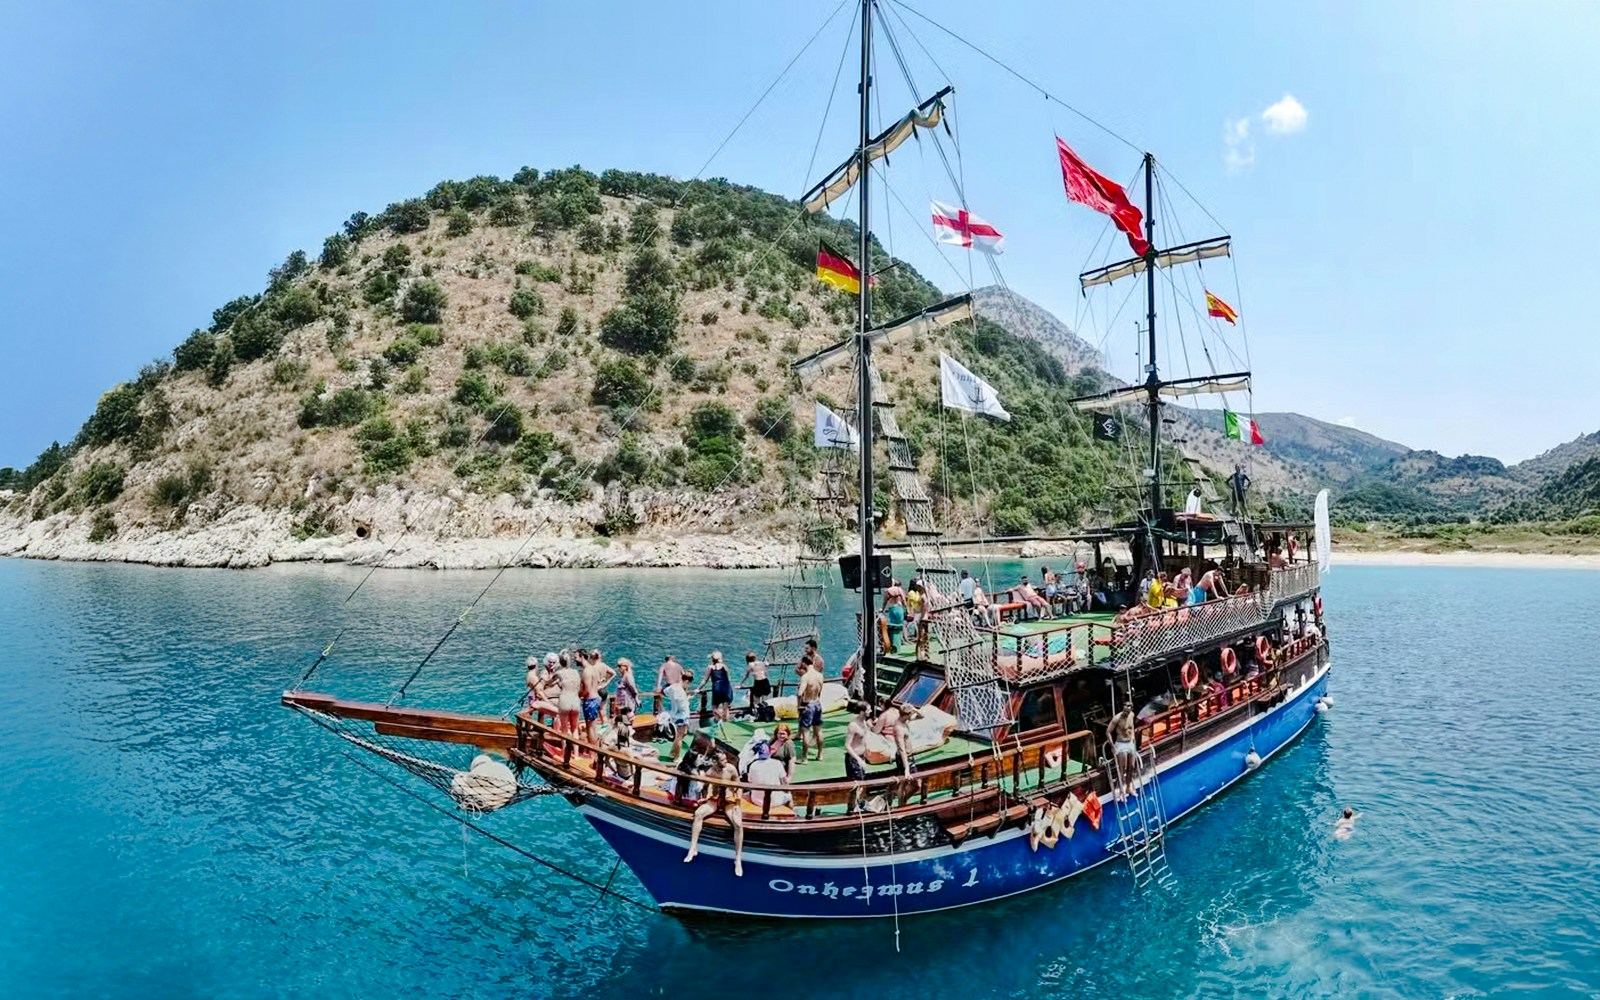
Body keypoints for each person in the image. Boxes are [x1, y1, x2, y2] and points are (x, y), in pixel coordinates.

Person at [684, 748, 745, 876]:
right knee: (698, 814)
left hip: (729, 800)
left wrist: (738, 804)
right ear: (716, 761)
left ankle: (738, 858)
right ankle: (693, 848)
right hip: (715, 800)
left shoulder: (731, 769)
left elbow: (739, 787)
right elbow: (705, 785)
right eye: (722, 760)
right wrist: (704, 797)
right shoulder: (711, 770)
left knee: (738, 824)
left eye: (725, 759)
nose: (725, 761)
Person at [580, 649, 616, 744]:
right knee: (603, 714)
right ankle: (604, 734)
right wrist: (606, 682)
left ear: (591, 658)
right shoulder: (603, 665)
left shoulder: (592, 667)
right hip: (603, 690)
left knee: (593, 720)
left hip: (595, 692)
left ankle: (594, 738)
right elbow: (613, 673)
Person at [1107, 698, 1139, 801]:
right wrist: (1112, 746)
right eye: (1124, 710)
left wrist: (1133, 737)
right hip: (1120, 745)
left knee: (1132, 766)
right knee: (1122, 769)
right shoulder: (1117, 718)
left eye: (1127, 711)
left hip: (1130, 743)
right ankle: (1121, 792)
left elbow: (1132, 727)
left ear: (1131, 710)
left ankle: (1128, 788)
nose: (1125, 713)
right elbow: (1108, 732)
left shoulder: (1132, 715)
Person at [745, 742, 791, 811]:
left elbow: (750, 781)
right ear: (769, 751)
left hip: (757, 800)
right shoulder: (777, 763)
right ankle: (792, 816)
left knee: (748, 793)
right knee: (789, 796)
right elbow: (784, 782)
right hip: (776, 801)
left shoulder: (753, 765)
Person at [796, 655, 825, 762]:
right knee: (818, 731)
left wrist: (799, 706)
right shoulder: (820, 675)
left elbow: (800, 693)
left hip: (808, 704)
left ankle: (804, 758)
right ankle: (820, 754)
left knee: (806, 732)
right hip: (817, 703)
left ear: (804, 663)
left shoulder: (806, 677)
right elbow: (820, 690)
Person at [844, 700, 872, 811]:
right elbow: (847, 745)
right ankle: (852, 808)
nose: (870, 711)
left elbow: (863, 740)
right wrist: (857, 759)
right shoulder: (853, 725)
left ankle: (855, 806)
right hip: (854, 758)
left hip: (862, 756)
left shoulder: (865, 722)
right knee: (856, 785)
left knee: (861, 784)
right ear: (861, 712)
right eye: (868, 709)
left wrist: (867, 750)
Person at [662, 672, 691, 758]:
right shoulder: (681, 692)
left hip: (674, 715)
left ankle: (672, 752)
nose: (688, 686)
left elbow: (665, 691)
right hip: (682, 716)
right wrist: (687, 700)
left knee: (683, 734)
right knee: (680, 738)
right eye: (688, 684)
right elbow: (683, 706)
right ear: (686, 681)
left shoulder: (673, 687)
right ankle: (676, 757)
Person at [553, 654, 583, 738]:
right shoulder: (576, 672)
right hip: (575, 701)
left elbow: (548, 682)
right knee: (575, 728)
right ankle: (576, 751)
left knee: (564, 729)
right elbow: (578, 686)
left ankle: (564, 750)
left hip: (565, 701)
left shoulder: (559, 673)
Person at [703, 651, 733, 723]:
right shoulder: (724, 666)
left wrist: (698, 688)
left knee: (714, 707)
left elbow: (705, 680)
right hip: (726, 688)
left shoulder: (710, 667)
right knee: (725, 708)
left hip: (716, 688)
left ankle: (718, 719)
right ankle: (726, 722)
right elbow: (729, 679)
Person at [742, 652, 771, 716]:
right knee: (764, 700)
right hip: (765, 681)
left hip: (758, 682)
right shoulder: (761, 663)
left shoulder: (750, 664)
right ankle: (765, 713)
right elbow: (766, 668)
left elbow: (747, 675)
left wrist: (741, 683)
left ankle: (757, 714)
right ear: (754, 658)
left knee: (757, 700)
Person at [612, 657, 640, 721]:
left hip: (627, 700)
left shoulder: (628, 676)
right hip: (622, 700)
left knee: (628, 716)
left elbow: (633, 687)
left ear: (625, 667)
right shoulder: (623, 676)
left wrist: (636, 698)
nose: (619, 668)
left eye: (620, 666)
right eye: (618, 666)